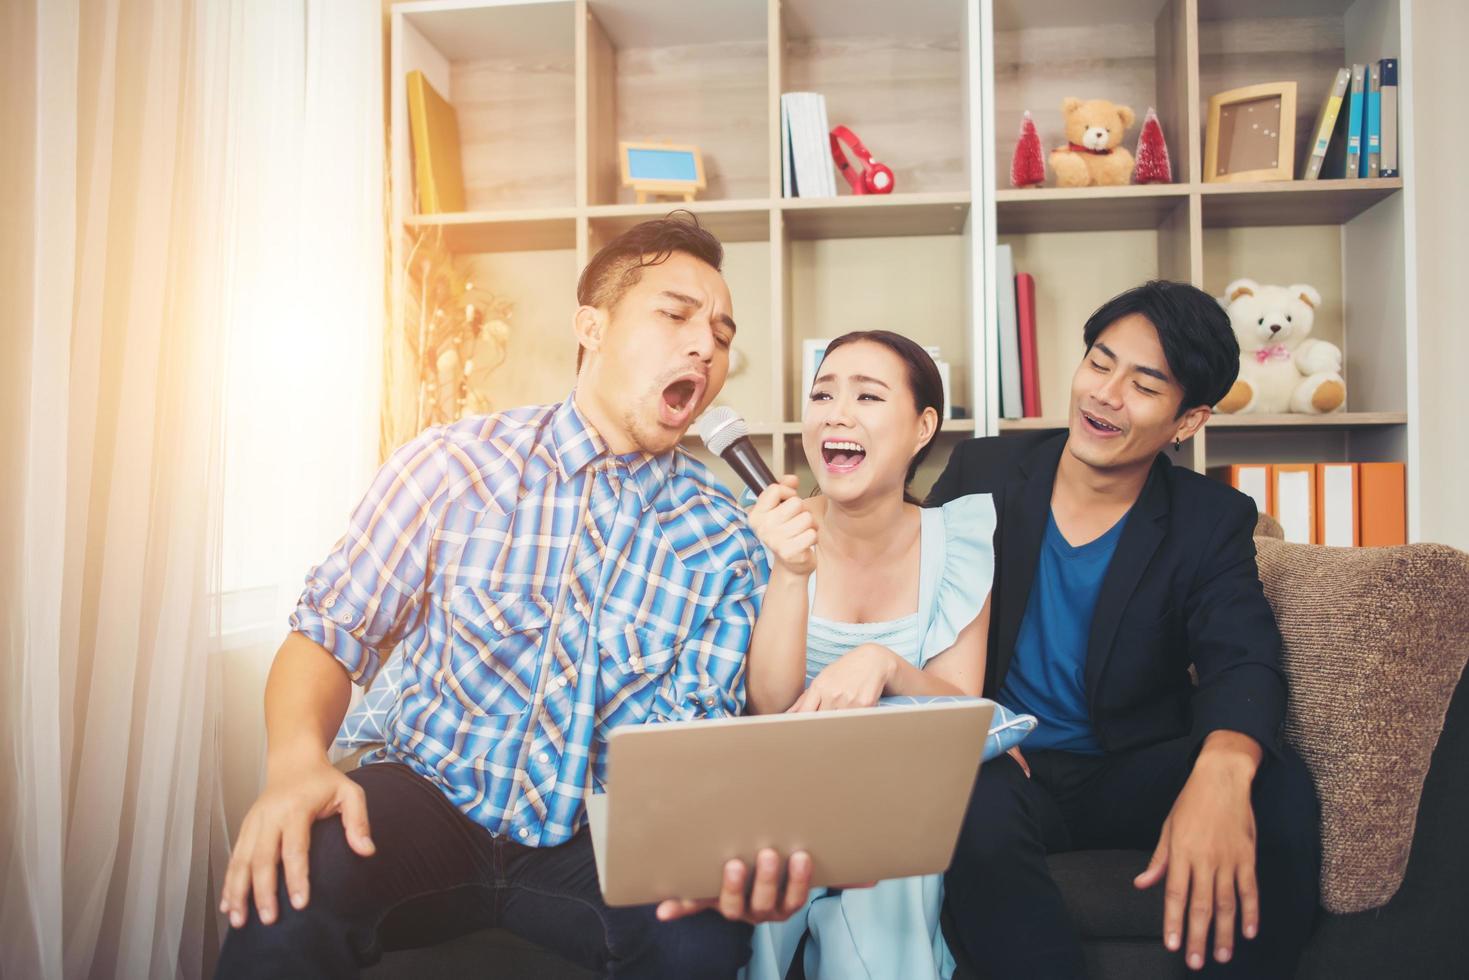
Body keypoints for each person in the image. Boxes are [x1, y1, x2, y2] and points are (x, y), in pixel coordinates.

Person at [215, 214, 814, 979]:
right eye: (674, 314)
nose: (705, 344)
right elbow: (328, 633)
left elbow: (727, 725)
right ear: (590, 327)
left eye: (723, 334)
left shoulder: (727, 537)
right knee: (288, 885)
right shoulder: (450, 464)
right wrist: (296, 762)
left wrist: (718, 841)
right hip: (428, 795)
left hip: (604, 833)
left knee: (698, 942)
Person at [930, 280, 1321, 978]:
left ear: (1187, 420)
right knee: (965, 790)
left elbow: (1243, 659)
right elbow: (914, 604)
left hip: (1128, 768)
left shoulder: (1209, 519)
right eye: (1099, 362)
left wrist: (1223, 771)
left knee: (1277, 787)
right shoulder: (982, 471)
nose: (1104, 394)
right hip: (1007, 762)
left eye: (1143, 384)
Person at [740, 330, 996, 980]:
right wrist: (789, 572)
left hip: (892, 796)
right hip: (778, 793)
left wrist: (884, 663)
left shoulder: (957, 540)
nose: (836, 413)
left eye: (867, 396)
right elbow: (767, 706)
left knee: (890, 885)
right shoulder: (774, 532)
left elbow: (961, 707)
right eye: (822, 394)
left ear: (921, 427)